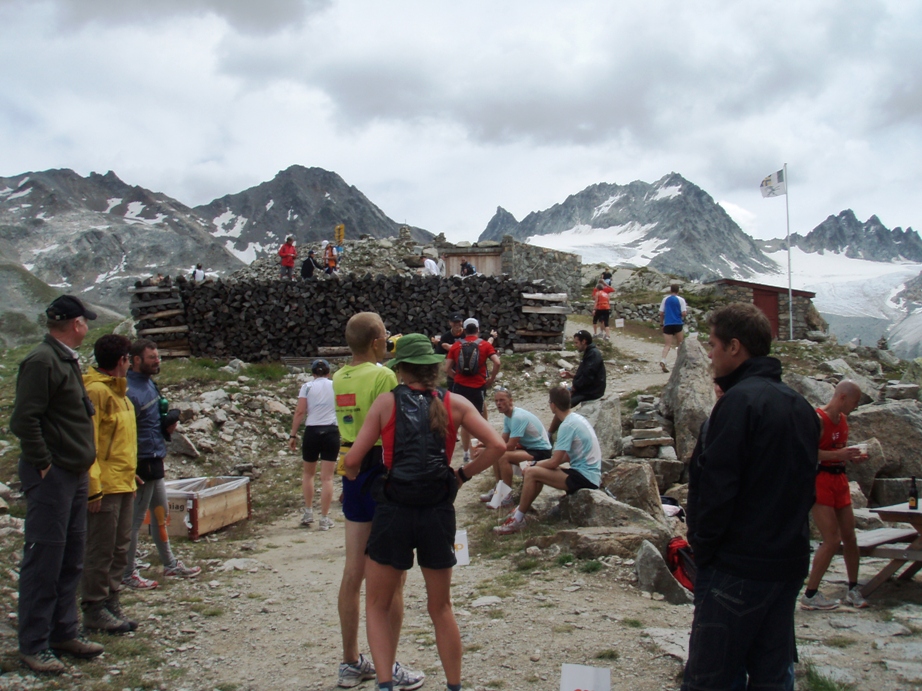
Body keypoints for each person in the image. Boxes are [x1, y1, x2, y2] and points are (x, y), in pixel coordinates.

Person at [343, 334, 505, 691]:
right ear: (434, 369)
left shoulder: (386, 404)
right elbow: (497, 445)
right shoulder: (456, 403)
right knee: (441, 607)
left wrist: (350, 471)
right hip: (437, 511)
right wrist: (461, 476)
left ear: (400, 369)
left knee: (377, 604)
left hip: (394, 511)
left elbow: (353, 460)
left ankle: (385, 683)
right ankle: (454, 685)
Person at [682, 303, 819, 691]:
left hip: (735, 568)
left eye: (713, 345)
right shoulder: (800, 405)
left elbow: (716, 489)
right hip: (787, 564)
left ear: (735, 347)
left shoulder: (737, 404)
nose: (710, 354)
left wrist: (704, 550)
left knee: (712, 677)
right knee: (773, 674)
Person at [9, 295, 104, 673]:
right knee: (45, 559)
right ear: (75, 323)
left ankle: (64, 631)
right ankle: (34, 644)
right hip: (54, 475)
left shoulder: (64, 358)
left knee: (70, 556)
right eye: (85, 321)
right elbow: (24, 420)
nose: (87, 327)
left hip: (74, 472)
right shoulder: (42, 360)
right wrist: (43, 462)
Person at [332, 312, 424, 690]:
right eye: (386, 334)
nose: (389, 339)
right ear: (375, 342)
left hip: (350, 467)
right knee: (393, 575)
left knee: (353, 571)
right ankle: (390, 662)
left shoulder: (339, 377)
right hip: (381, 472)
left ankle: (351, 660)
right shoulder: (384, 375)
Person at [123, 339, 201, 590]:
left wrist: (166, 425)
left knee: (161, 512)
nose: (157, 361)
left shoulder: (148, 384)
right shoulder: (129, 389)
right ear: (136, 360)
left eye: (158, 357)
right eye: (151, 358)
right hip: (141, 459)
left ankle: (169, 563)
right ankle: (127, 572)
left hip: (155, 454)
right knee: (135, 520)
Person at [80, 334, 139, 636]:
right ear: (122, 361)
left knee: (120, 547)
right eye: (128, 358)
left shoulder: (122, 395)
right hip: (105, 486)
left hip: (124, 481)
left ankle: (111, 599)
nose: (129, 364)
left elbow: (121, 442)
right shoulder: (96, 393)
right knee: (101, 548)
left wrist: (133, 472)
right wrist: (93, 487)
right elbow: (89, 442)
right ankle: (94, 606)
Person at [494, 387, 601, 535]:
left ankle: (517, 520)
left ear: (553, 405)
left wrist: (534, 464)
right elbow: (567, 456)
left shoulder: (567, 426)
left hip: (585, 477)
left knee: (532, 473)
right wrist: (538, 465)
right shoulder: (576, 419)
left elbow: (554, 463)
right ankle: (520, 510)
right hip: (589, 473)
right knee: (537, 472)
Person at [801, 380, 869, 610]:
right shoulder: (819, 419)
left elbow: (838, 450)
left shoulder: (844, 420)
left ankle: (853, 588)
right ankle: (810, 594)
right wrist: (839, 453)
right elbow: (808, 452)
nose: (855, 406)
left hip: (840, 480)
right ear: (842, 397)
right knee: (831, 539)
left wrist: (851, 456)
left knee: (850, 536)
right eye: (854, 401)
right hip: (821, 481)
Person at [476, 389, 553, 509]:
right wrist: (486, 445)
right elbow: (502, 442)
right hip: (529, 448)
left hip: (541, 451)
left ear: (510, 401)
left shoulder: (517, 417)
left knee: (503, 455)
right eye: (496, 401)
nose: (498, 404)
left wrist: (489, 448)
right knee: (496, 452)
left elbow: (510, 446)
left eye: (502, 400)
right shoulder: (508, 417)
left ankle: (506, 496)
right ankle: (499, 490)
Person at [288, 359, 339, 531]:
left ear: (313, 373)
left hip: (312, 430)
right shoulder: (335, 385)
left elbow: (300, 411)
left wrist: (292, 434)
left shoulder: (307, 387)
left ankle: (308, 511)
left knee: (308, 474)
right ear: (328, 372)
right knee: (327, 477)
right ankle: (324, 517)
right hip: (331, 430)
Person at [445, 317, 501, 463]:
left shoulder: (456, 346)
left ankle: (465, 453)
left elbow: (446, 368)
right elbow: (497, 362)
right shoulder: (484, 345)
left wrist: (456, 376)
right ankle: (483, 447)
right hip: (477, 387)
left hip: (459, 387)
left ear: (464, 330)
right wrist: (491, 379)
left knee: (463, 421)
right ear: (478, 330)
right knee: (478, 417)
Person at [552, 330, 605, 438]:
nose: (575, 345)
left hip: (591, 391)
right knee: (562, 399)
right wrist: (572, 376)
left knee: (562, 405)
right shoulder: (590, 353)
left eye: (576, 343)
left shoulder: (593, 355)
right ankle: (552, 432)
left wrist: (574, 388)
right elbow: (586, 374)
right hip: (586, 388)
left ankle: (553, 433)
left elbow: (588, 377)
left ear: (584, 341)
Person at [431, 313, 465, 388]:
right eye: (454, 322)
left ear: (462, 322)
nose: (457, 324)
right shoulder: (445, 337)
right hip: (453, 366)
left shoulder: (467, 334)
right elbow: (438, 354)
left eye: (458, 322)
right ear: (450, 323)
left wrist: (451, 347)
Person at [659, 284, 687, 372]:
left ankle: (663, 359)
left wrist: (661, 323)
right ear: (678, 291)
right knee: (680, 344)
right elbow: (684, 313)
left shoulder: (665, 299)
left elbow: (661, 313)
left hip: (667, 324)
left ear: (670, 290)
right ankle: (678, 362)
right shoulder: (681, 300)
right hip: (678, 323)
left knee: (667, 345)